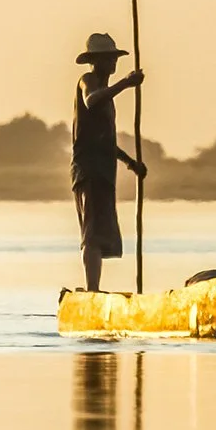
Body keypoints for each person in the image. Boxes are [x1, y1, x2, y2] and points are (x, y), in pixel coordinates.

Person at [72, 32, 147, 292]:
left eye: (114, 58)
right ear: (96, 61)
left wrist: (130, 162)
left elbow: (105, 140)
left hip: (104, 170)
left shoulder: (107, 96)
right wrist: (125, 84)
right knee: (92, 234)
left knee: (102, 233)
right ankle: (92, 290)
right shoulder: (89, 81)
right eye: (108, 58)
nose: (113, 63)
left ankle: (95, 288)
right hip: (89, 169)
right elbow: (91, 101)